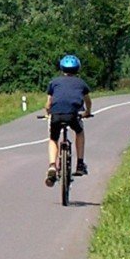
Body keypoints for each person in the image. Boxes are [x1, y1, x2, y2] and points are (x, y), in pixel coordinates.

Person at [44, 54, 92, 186]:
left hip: (56, 115)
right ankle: (80, 164)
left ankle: (52, 166)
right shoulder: (81, 83)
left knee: (53, 138)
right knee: (79, 132)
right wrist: (87, 112)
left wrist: (48, 114)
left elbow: (48, 104)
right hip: (72, 115)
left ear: (62, 68)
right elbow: (88, 101)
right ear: (78, 69)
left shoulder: (54, 82)